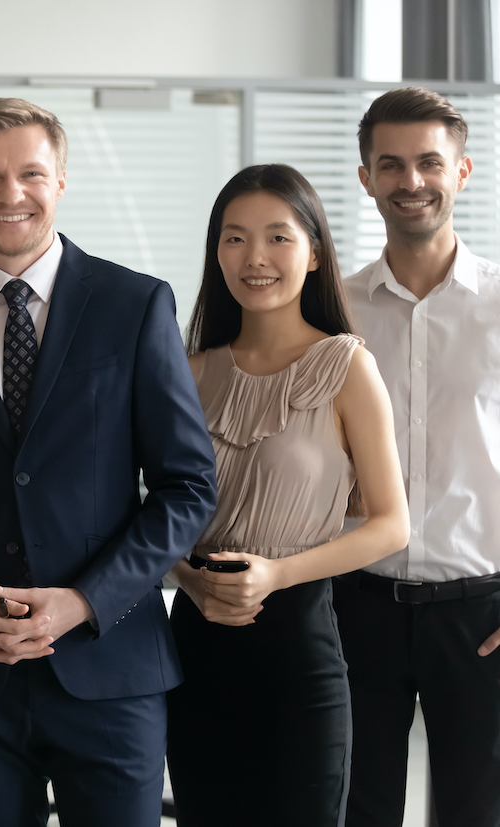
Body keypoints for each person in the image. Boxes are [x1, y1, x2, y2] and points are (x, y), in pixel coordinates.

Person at [0, 97, 218, 826]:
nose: (11, 193)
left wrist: (84, 601)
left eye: (31, 173)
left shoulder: (135, 304)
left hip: (111, 667)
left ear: (61, 180)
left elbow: (187, 486)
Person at [164, 164, 409, 827]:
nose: (255, 257)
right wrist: (187, 577)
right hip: (194, 643)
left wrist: (275, 574)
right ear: (217, 253)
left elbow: (391, 524)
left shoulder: (348, 366)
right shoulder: (187, 372)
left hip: (298, 646)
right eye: (235, 238)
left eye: (278, 237)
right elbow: (151, 514)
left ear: (315, 253)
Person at [333, 87, 500, 827]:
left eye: (430, 162)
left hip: (483, 613)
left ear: (461, 172)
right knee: (355, 809)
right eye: (391, 164)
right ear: (366, 177)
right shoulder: (332, 311)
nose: (411, 181)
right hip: (355, 605)